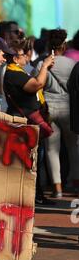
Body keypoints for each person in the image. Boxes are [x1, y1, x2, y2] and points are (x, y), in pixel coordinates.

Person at [4, 45, 54, 205]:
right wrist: (45, 66)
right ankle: (30, 195)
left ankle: (36, 193)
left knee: (36, 158)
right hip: (25, 120)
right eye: (23, 55)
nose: (26, 58)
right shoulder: (13, 74)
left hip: (28, 119)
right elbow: (37, 84)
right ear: (15, 58)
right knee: (31, 159)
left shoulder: (18, 72)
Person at [36, 29, 78, 197]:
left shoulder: (42, 63)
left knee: (52, 150)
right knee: (73, 147)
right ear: (64, 45)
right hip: (69, 108)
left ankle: (57, 188)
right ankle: (75, 182)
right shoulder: (71, 64)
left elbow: (36, 84)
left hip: (49, 109)